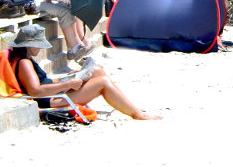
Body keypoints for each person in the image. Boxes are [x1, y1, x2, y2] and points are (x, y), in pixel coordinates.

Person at [8, 25, 159, 120]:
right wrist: (68, 84)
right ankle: (137, 114)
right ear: (30, 45)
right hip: (52, 100)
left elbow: (43, 82)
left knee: (96, 71)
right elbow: (35, 91)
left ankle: (132, 108)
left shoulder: (24, 59)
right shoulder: (25, 63)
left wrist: (68, 77)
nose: (40, 49)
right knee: (103, 83)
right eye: (38, 45)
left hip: (54, 94)